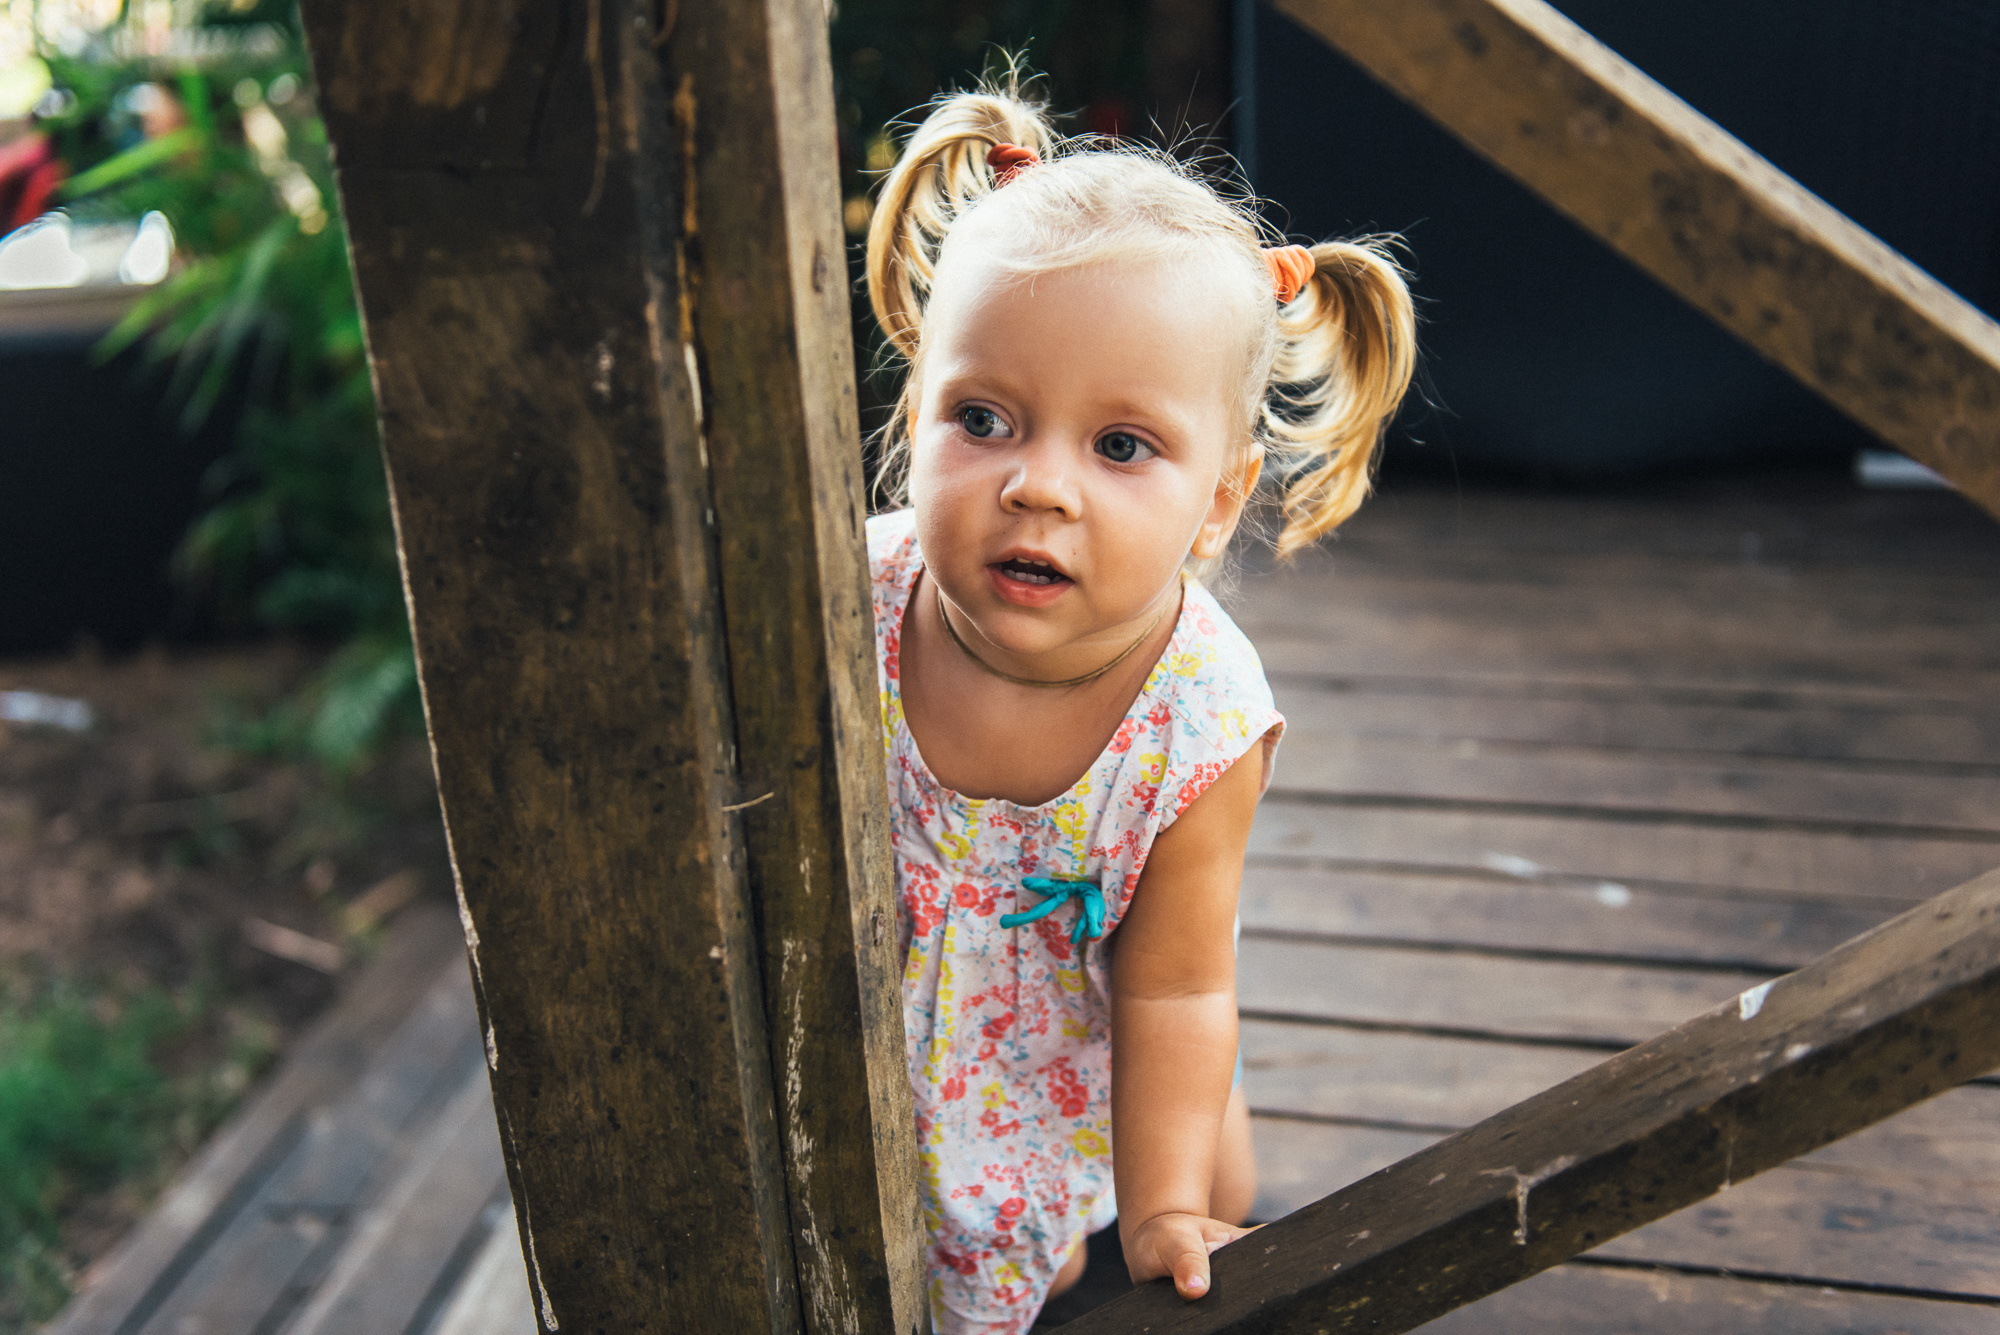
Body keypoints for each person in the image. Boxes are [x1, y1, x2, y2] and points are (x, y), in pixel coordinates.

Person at [863, 76, 1416, 1333]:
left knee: (1190, 1175)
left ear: (1218, 499)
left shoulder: (1197, 723)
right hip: (874, 1004)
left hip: (1075, 1016)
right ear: (914, 418)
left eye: (1119, 447)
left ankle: (1193, 1157)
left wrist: (1163, 1209)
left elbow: (1172, 990)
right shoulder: (852, 596)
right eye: (983, 420)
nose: (1038, 488)